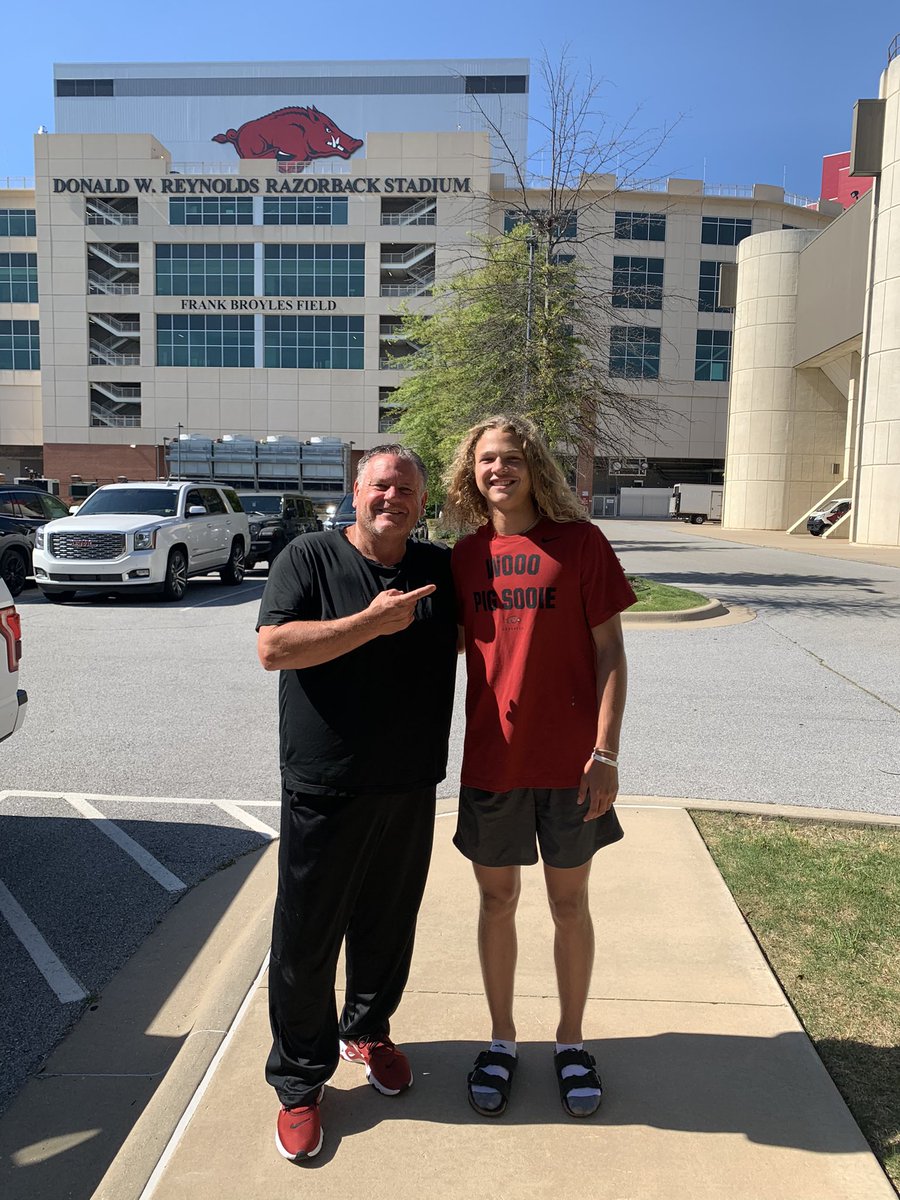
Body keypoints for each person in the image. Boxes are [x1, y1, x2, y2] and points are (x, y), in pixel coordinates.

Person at [256, 445, 457, 1161]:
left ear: (421, 499)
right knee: (307, 940)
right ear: (356, 490)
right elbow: (274, 647)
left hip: (408, 783)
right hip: (324, 783)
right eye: (381, 484)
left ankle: (367, 1032)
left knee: (387, 924)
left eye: (406, 487)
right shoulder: (308, 558)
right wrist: (369, 623)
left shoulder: (438, 570)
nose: (392, 497)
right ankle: (300, 1083)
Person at [446, 415, 635, 1120]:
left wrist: (606, 750)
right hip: (492, 763)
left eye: (513, 457)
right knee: (497, 902)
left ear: (535, 466)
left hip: (571, 766)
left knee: (568, 905)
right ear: (472, 473)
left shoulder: (581, 544)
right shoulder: (463, 559)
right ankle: (501, 1039)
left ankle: (570, 1042)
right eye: (488, 459)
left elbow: (611, 652)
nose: (500, 469)